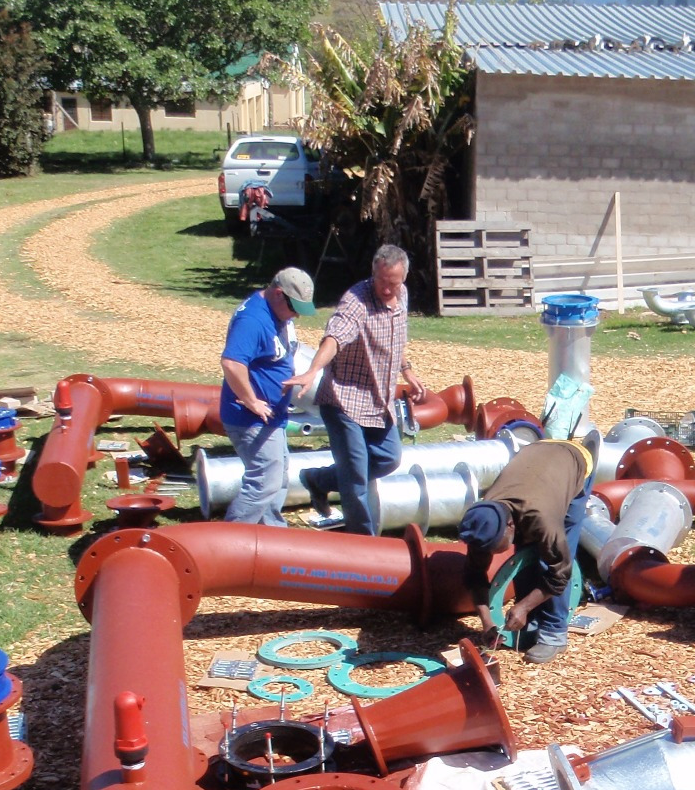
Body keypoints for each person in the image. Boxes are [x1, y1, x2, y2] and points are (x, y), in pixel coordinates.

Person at [283, 244, 424, 534]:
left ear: (403, 279)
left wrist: (407, 370)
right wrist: (312, 370)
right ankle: (363, 540)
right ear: (373, 272)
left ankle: (318, 480)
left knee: (388, 458)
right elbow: (335, 337)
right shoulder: (356, 301)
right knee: (356, 477)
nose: (387, 289)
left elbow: (396, 340)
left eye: (393, 283)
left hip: (377, 401)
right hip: (343, 401)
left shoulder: (402, 296)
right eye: (381, 281)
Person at [457, 434, 597, 665]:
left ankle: (553, 633)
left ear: (510, 525)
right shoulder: (484, 521)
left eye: (494, 548)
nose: (491, 553)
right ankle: (529, 623)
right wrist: (488, 622)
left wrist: (523, 606)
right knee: (524, 554)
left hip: (573, 460)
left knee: (548, 558)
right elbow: (474, 576)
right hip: (536, 458)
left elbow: (560, 574)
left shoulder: (542, 518)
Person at [218, 266, 315, 525]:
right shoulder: (252, 320)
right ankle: (231, 539)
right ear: (278, 293)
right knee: (264, 482)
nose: (297, 315)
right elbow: (232, 363)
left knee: (278, 479)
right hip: (250, 418)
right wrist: (252, 401)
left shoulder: (277, 313)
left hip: (273, 415)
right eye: (294, 308)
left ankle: (271, 536)